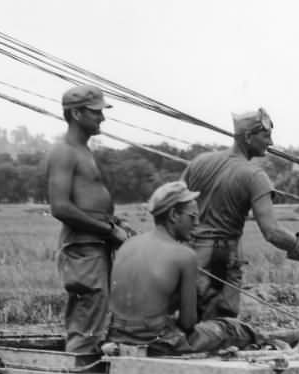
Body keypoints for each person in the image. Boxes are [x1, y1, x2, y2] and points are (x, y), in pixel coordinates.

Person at [183, 107, 299, 320]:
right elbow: (273, 232)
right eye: (266, 135)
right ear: (248, 137)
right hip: (219, 260)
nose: (271, 143)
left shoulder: (199, 162)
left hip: (186, 256)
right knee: (219, 325)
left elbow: (170, 205)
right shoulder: (255, 176)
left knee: (188, 319)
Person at [107, 181, 258, 355]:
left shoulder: (128, 245)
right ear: (173, 215)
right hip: (160, 342)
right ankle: (275, 338)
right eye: (192, 217)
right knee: (230, 329)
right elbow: (188, 324)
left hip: (117, 336)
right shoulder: (184, 255)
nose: (196, 223)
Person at [46, 84, 133, 359]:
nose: (102, 118)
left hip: (95, 245)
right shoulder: (65, 151)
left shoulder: (83, 150)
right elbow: (60, 207)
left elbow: (87, 203)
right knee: (87, 324)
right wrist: (109, 230)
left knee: (98, 320)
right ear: (76, 114)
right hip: (84, 249)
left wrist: (116, 224)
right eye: (96, 113)